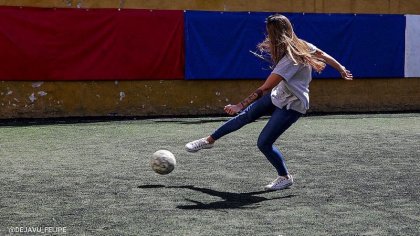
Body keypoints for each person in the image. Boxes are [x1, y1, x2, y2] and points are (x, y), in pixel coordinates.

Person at [185, 14, 353, 191]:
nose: (268, 37)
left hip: (292, 105)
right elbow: (323, 54)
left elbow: (264, 88)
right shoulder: (303, 44)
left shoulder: (291, 60)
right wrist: (341, 68)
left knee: (264, 143)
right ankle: (209, 141)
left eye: (270, 33)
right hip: (278, 96)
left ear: (277, 35)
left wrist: (239, 105)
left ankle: (285, 177)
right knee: (245, 117)